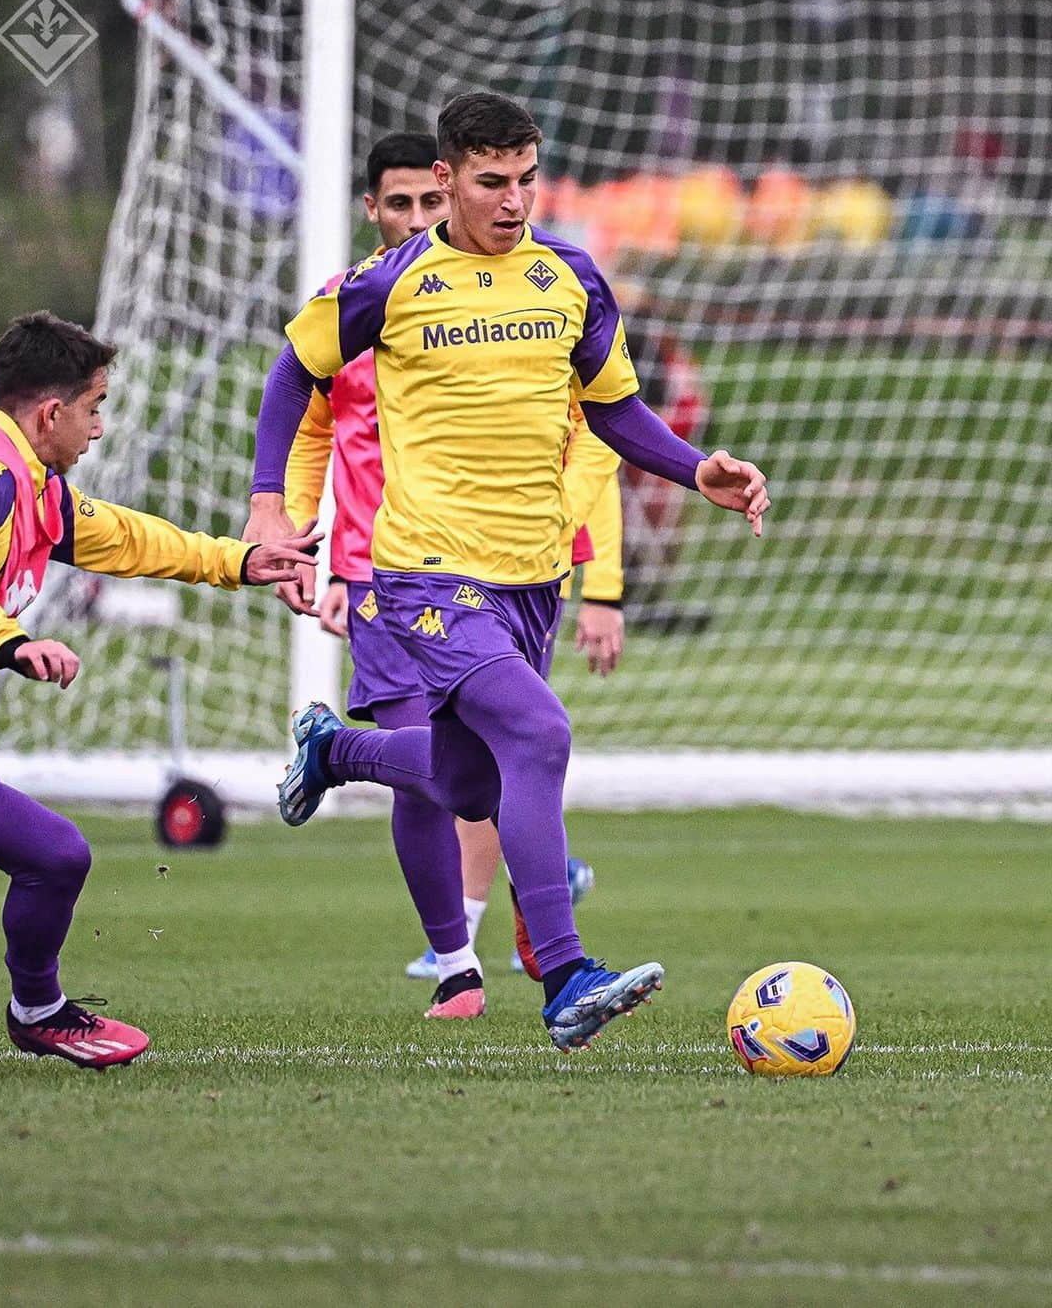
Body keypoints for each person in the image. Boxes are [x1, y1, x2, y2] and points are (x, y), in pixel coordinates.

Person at [246, 92, 769, 1052]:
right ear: (445, 180)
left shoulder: (570, 278)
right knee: (539, 734)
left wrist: (697, 469)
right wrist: (269, 503)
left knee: (476, 780)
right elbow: (294, 371)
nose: (514, 199)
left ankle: (338, 752)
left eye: (528, 179)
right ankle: (565, 974)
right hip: (422, 574)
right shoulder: (389, 281)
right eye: (492, 182)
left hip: (530, 579)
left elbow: (613, 411)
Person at [284, 134, 616, 1000]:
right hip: (390, 568)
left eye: (431, 206)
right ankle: (468, 961)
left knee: (466, 775)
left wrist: (598, 573)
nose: (421, 220)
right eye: (403, 206)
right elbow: (309, 419)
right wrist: (291, 531)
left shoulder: (545, 283)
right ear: (376, 209)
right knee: (518, 745)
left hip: (516, 568)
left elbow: (594, 431)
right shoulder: (363, 299)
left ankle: (338, 751)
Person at [0, 311, 319, 1069]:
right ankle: (39, 1011)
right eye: (94, 409)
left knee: (57, 856)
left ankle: (38, 1012)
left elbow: (129, 538)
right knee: (56, 855)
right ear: (50, 414)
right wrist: (12, 641)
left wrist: (237, 561)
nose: (99, 429)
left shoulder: (34, 490)